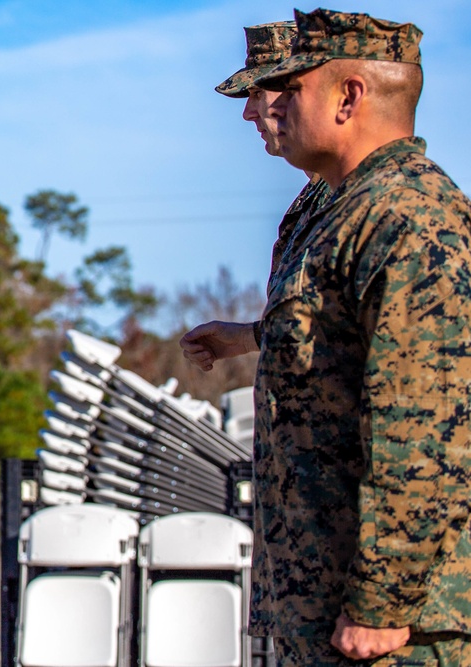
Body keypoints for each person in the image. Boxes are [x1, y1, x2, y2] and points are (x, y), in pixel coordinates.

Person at [248, 9, 471, 666]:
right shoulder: (346, 204)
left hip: (392, 633)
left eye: (290, 88)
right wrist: (247, 335)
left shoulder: (407, 215)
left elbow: (423, 424)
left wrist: (380, 603)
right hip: (327, 610)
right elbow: (338, 333)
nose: (261, 108)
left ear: (348, 96)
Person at [181, 20, 329, 371]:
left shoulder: (360, 201)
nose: (249, 113)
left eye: (259, 93)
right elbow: (322, 327)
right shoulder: (316, 201)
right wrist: (249, 337)